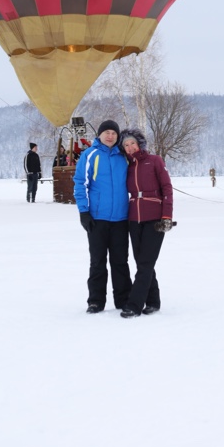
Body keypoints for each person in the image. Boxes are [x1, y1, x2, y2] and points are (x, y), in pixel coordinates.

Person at [73, 120, 132, 314]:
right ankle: (96, 301)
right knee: (98, 261)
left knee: (120, 261)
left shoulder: (123, 156)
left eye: (114, 133)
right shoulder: (90, 154)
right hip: (97, 219)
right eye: (107, 132)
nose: (110, 136)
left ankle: (123, 299)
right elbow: (80, 183)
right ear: (99, 134)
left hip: (121, 218)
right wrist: (83, 211)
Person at [118, 128, 174, 318]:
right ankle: (153, 301)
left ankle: (134, 305)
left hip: (155, 219)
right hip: (134, 219)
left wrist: (167, 216)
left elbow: (167, 188)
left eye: (132, 143)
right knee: (143, 262)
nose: (130, 147)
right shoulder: (128, 167)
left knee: (145, 263)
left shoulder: (155, 160)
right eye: (126, 145)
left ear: (139, 143)